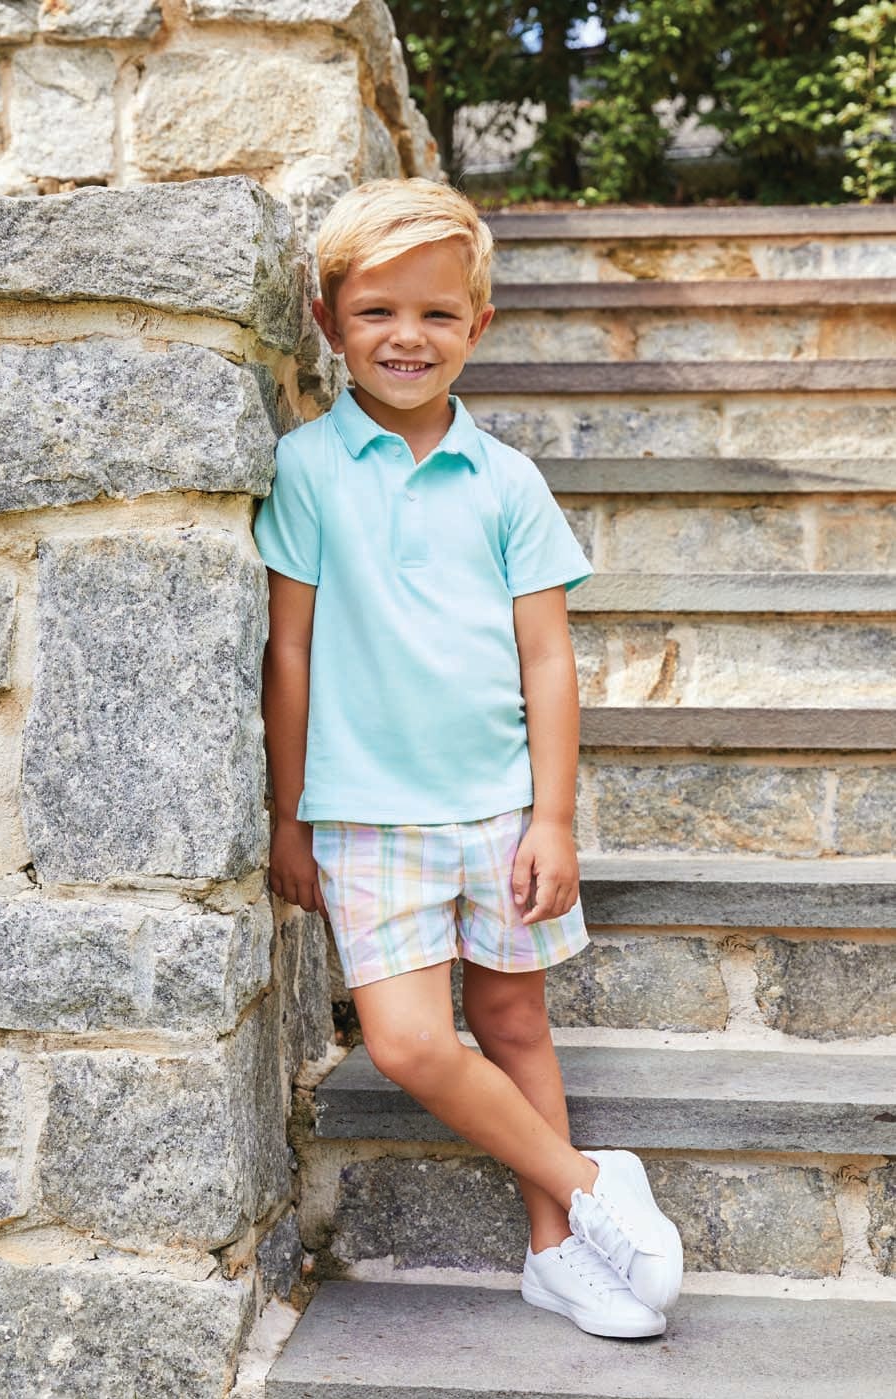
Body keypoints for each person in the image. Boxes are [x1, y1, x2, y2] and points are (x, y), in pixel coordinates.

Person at [252, 177, 683, 1339]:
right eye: (378, 311)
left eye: (439, 315)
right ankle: (598, 1185)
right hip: (362, 814)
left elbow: (549, 659)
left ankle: (557, 1248)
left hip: (497, 806)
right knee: (405, 1040)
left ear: (478, 326)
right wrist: (291, 815)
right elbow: (287, 652)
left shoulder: (508, 481)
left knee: (514, 1021)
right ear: (328, 317)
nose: (408, 337)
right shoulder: (306, 470)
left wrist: (555, 817)